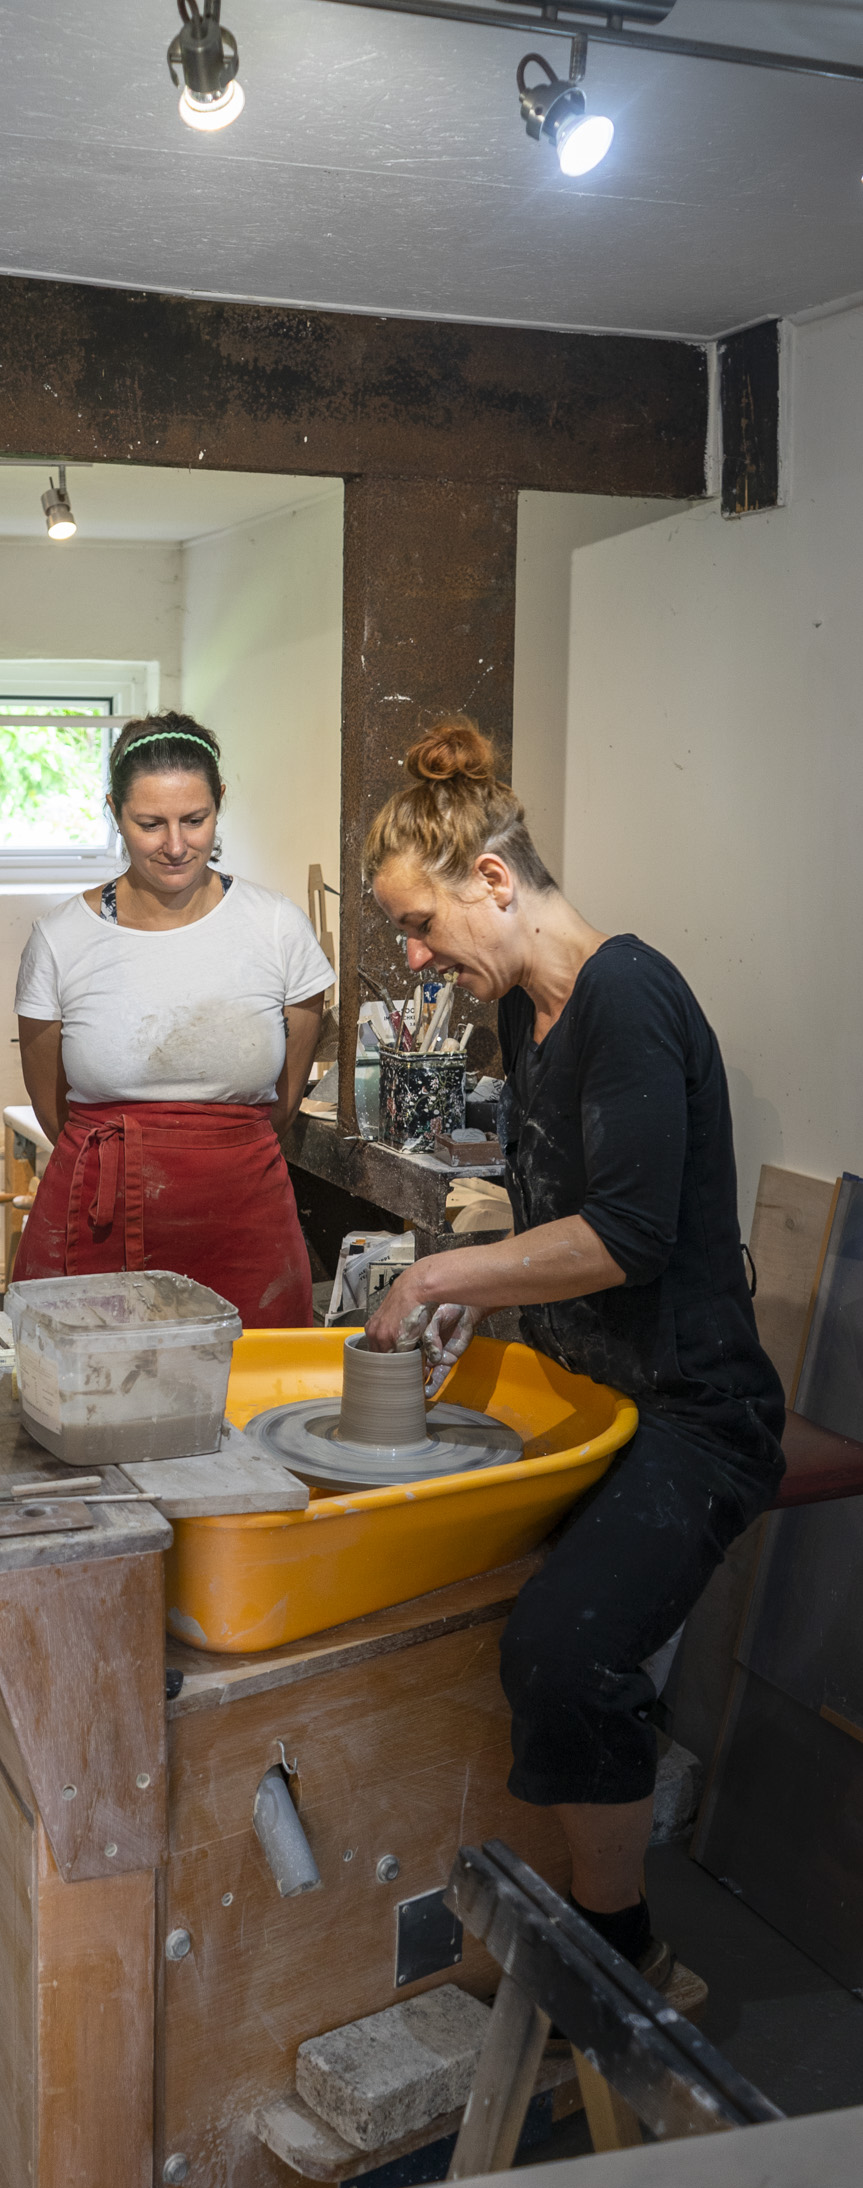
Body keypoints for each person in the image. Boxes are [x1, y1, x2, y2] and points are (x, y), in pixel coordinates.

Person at [363, 717, 784, 1986]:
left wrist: (439, 1273)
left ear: (493, 879)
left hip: (697, 1412)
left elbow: (629, 1238)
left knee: (563, 1648)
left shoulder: (628, 993)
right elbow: (558, 1213)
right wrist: (489, 1297)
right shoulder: (525, 1010)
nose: (416, 956)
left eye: (421, 924)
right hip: (593, 1386)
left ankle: (621, 1954)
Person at [12, 712, 333, 1327]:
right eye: (150, 824)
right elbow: (52, 1106)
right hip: (99, 1215)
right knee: (91, 1382)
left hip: (243, 1217)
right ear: (114, 812)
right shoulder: (60, 939)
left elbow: (285, 1099)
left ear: (220, 804)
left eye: (195, 819)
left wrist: (212, 1154)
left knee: (253, 1379)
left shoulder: (277, 928)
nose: (177, 845)